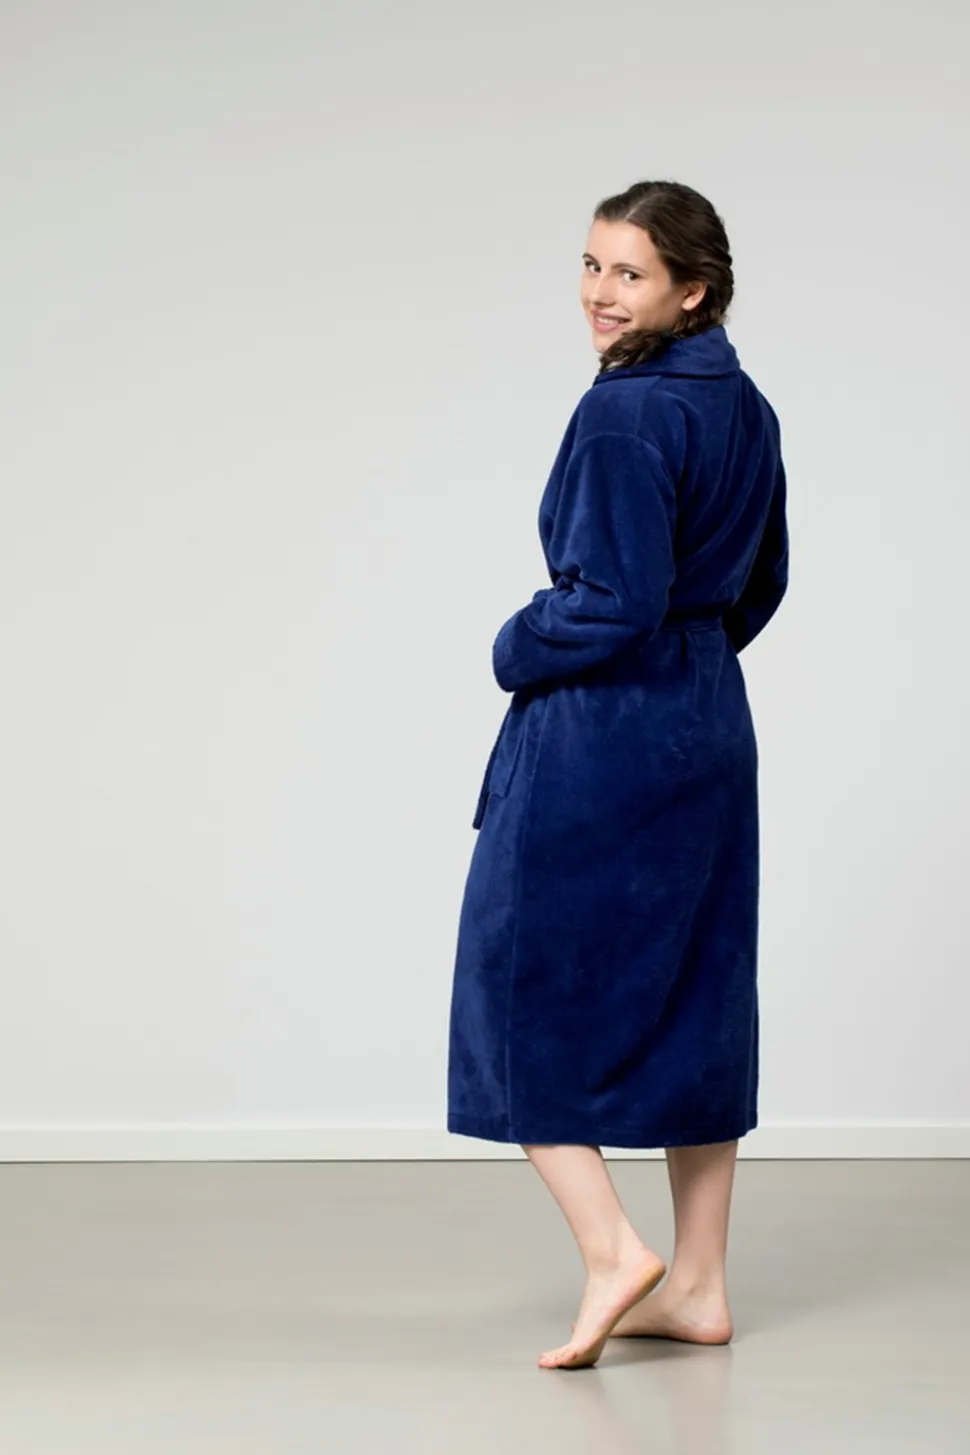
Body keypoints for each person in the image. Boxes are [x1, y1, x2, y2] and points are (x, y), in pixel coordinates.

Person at [446, 179, 789, 1370]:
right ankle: (698, 1284)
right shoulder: (744, 406)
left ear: (691, 289)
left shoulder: (623, 414)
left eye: (629, 273)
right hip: (707, 714)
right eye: (591, 265)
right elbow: (760, 584)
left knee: (516, 983)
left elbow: (610, 601)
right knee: (701, 989)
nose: (600, 293)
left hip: (602, 731)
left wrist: (514, 645)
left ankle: (611, 1253)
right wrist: (691, 661)